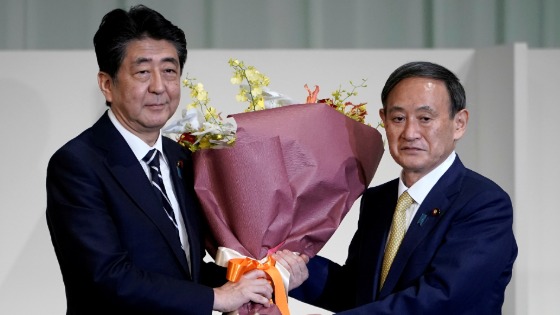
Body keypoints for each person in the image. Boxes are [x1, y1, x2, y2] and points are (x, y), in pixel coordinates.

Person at [46, 5, 272, 314]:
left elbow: (184, 271)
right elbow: (106, 275)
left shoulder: (182, 157)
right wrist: (217, 299)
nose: (159, 86)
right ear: (107, 84)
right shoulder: (77, 164)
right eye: (142, 72)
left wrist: (261, 275)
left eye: (169, 70)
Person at [276, 61, 518, 314]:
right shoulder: (377, 200)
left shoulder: (484, 203)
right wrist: (289, 269)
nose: (410, 132)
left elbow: (442, 299)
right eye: (399, 118)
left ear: (459, 123)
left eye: (425, 118)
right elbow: (358, 294)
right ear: (384, 121)